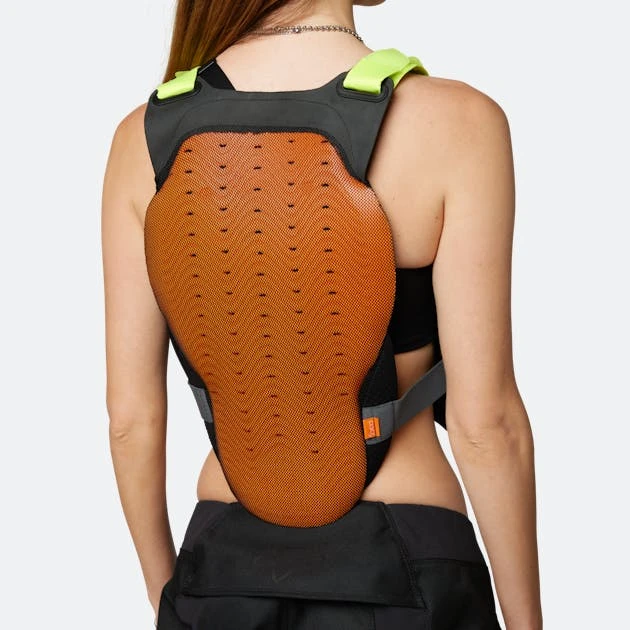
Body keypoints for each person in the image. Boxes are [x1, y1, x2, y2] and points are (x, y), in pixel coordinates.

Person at [101, 1, 542, 628]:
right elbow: (486, 426)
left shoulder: (145, 135)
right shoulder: (457, 122)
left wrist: (167, 596)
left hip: (221, 569)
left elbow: (131, 420)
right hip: (406, 567)